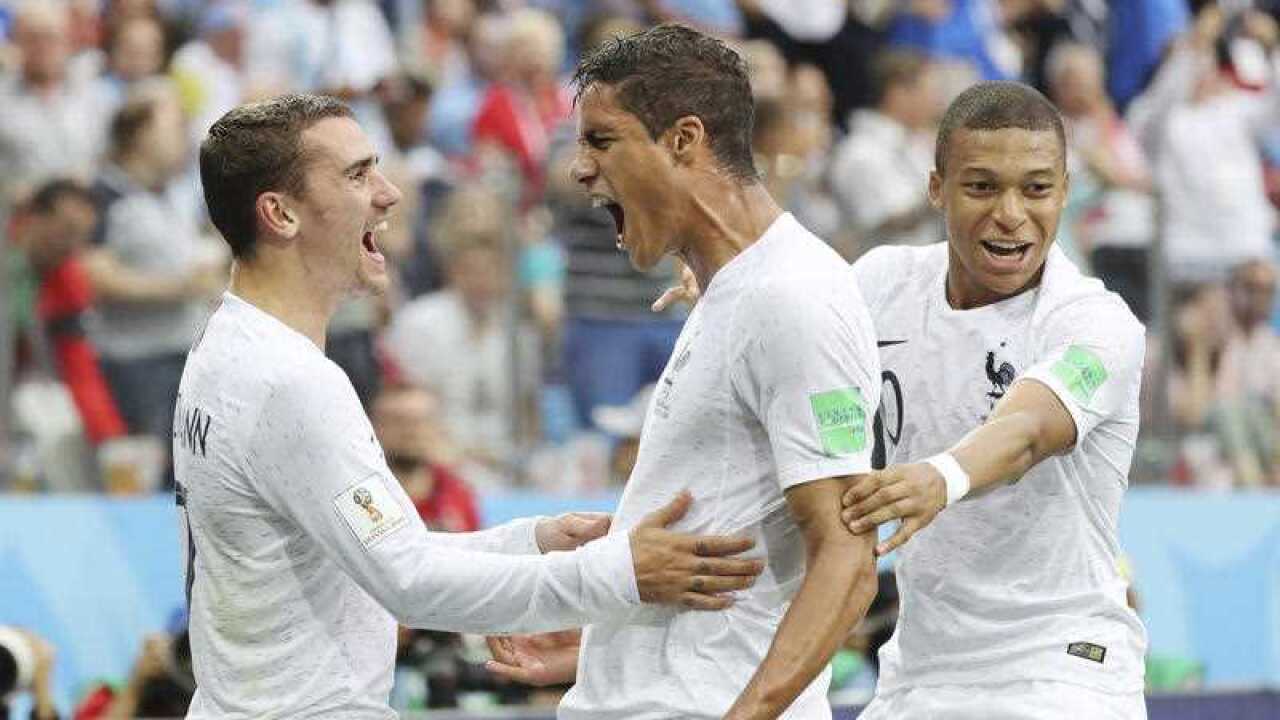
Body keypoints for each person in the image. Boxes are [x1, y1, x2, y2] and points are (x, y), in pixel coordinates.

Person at [178, 93, 765, 719]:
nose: (388, 193)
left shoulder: (226, 345)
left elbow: (384, 555)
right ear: (280, 214)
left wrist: (533, 542)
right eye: (356, 174)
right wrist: (620, 574)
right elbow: (409, 583)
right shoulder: (291, 382)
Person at [488, 24, 880, 719]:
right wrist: (605, 644)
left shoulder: (790, 296)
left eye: (601, 140)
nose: (579, 169)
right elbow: (734, 544)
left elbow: (848, 563)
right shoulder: (734, 291)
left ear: (684, 140)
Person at [840, 81, 1149, 718]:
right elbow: (792, 326)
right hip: (920, 673)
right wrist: (724, 284)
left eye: (1036, 188)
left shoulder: (1099, 325)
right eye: (982, 186)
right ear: (936, 188)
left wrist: (941, 477)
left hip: (1063, 671)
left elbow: (1029, 430)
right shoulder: (880, 282)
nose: (1011, 213)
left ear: (1065, 190)